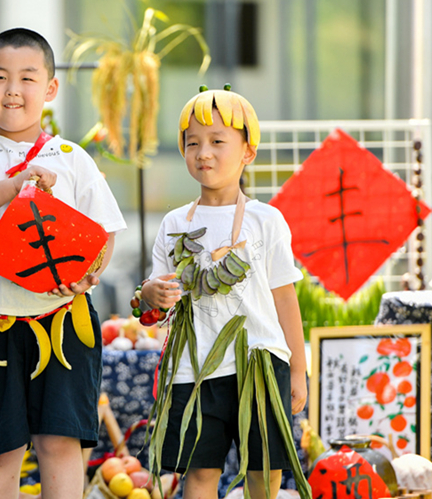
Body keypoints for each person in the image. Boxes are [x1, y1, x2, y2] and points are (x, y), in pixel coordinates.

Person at [0, 28, 126, 499]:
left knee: (59, 443)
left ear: (51, 89)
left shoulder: (72, 158)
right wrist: (13, 185)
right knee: (1, 449)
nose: (13, 90)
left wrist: (91, 271)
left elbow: (104, 231)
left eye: (27, 78)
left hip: (64, 321)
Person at [142, 86, 307, 499]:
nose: (204, 153)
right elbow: (159, 300)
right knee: (198, 474)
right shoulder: (174, 222)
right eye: (193, 143)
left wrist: (300, 370)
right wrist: (149, 294)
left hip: (260, 363)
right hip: (194, 371)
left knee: (263, 471)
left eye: (218, 142)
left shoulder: (266, 220)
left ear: (248, 151)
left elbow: (285, 298)